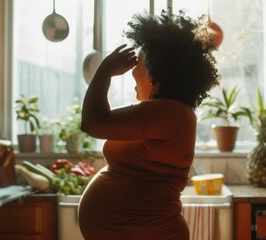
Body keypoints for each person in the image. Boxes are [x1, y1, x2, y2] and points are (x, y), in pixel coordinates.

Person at [78, 10, 221, 240]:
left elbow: (93, 122)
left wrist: (105, 70)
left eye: (141, 61)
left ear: (158, 74)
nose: (133, 68)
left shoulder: (169, 112)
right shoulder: (169, 113)